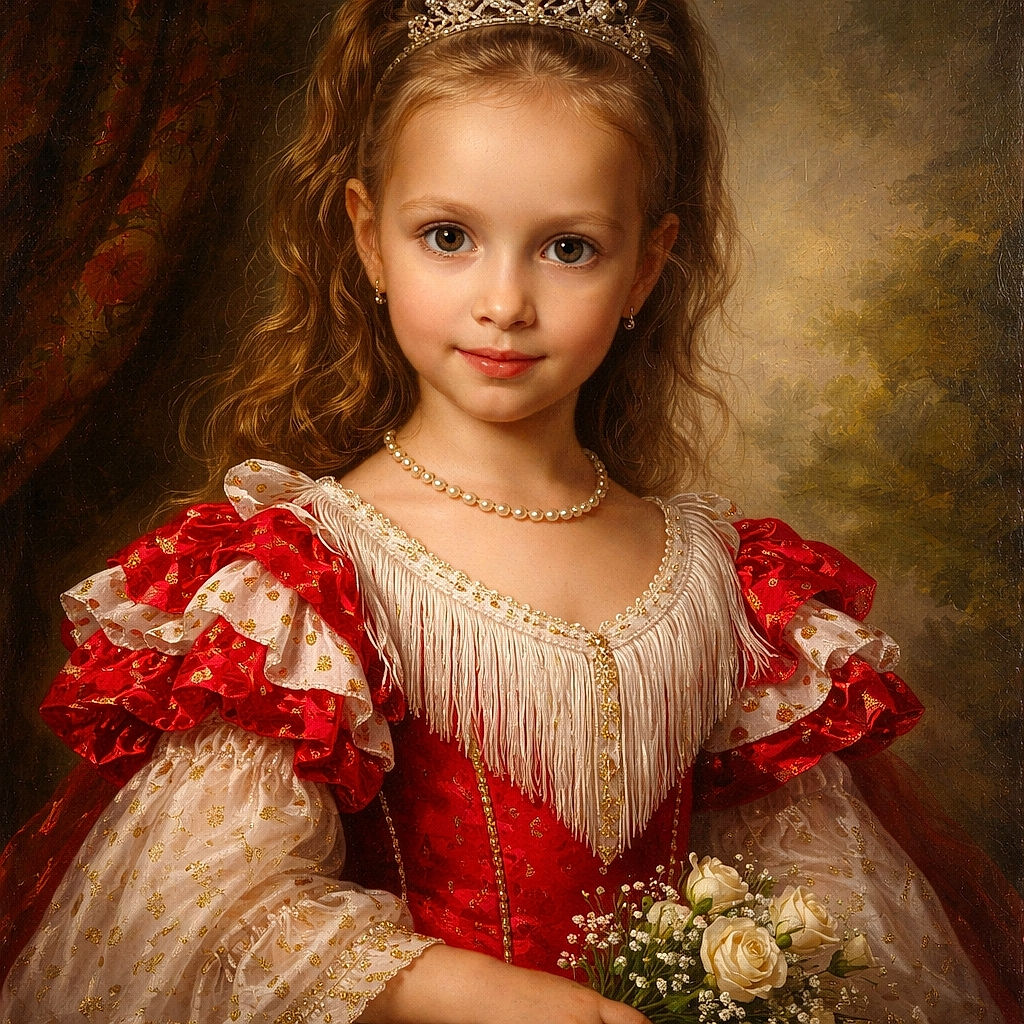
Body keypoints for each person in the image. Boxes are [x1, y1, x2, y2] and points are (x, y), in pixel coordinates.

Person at [0, 0, 1019, 1021]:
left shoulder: (728, 582)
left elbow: (828, 905)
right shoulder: (307, 576)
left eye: (567, 248)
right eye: (448, 236)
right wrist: (514, 1000)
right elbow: (215, 912)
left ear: (646, 266)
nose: (505, 300)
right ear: (366, 238)